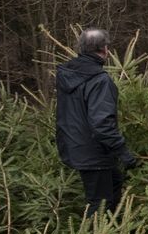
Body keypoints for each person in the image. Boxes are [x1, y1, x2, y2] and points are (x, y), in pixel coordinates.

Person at [55, 28, 139, 217]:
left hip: (74, 146)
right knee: (100, 205)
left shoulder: (67, 74)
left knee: (114, 185)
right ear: (105, 49)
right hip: (94, 153)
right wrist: (124, 153)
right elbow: (102, 124)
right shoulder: (99, 80)